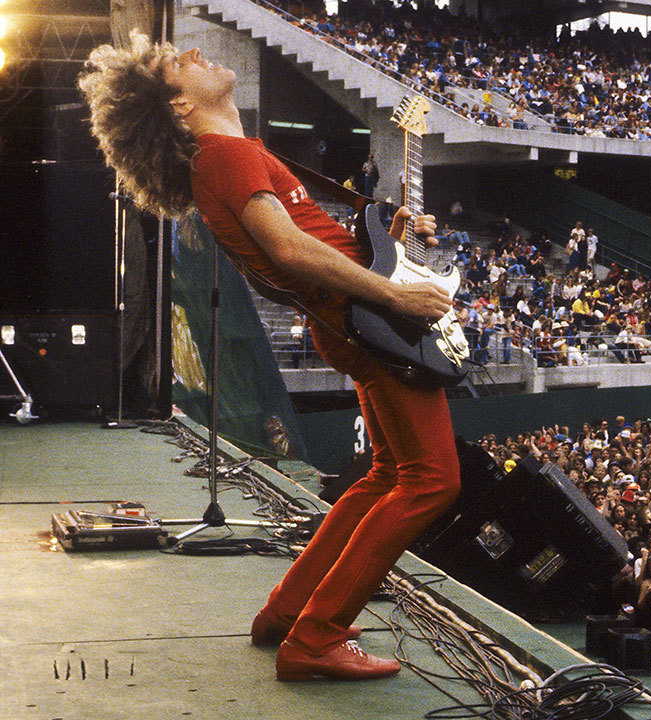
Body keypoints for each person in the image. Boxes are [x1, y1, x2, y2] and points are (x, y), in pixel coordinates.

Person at [79, 34, 461, 681]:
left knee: (385, 474)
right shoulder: (223, 158)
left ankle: (285, 613)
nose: (197, 55)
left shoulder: (229, 156)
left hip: (350, 318)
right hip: (365, 319)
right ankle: (317, 636)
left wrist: (389, 244)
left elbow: (311, 243)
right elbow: (286, 250)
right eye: (181, 62)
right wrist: (395, 293)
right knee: (432, 480)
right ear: (175, 106)